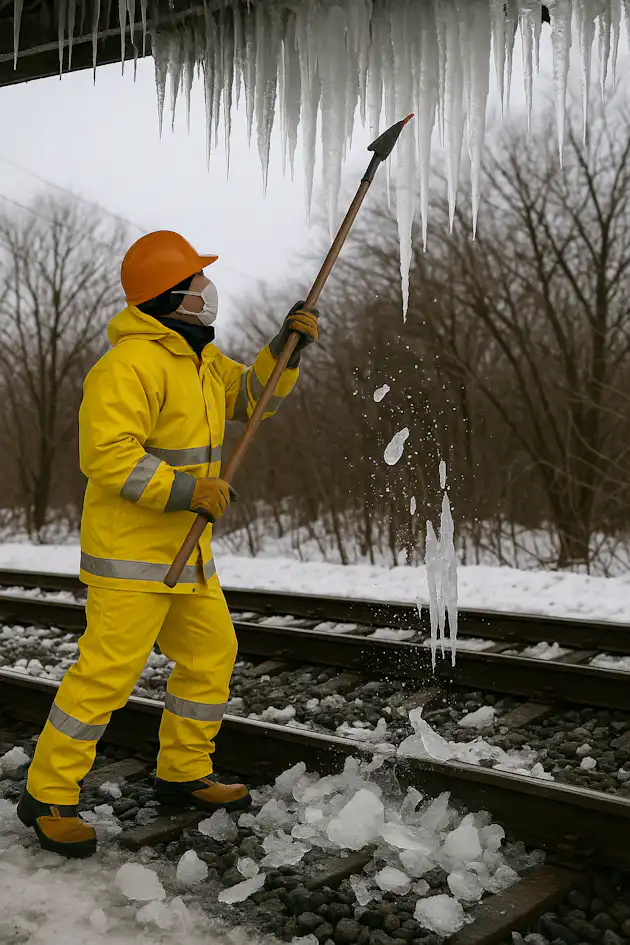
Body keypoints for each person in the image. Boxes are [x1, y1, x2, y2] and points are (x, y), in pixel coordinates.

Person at [17, 230, 318, 858]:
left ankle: (183, 771)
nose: (209, 288)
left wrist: (284, 350)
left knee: (211, 655)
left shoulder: (200, 360)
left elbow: (252, 398)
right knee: (105, 677)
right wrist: (186, 491)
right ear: (173, 295)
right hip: (132, 557)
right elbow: (107, 456)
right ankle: (47, 795)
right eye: (198, 280)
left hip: (188, 553)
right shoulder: (127, 365)